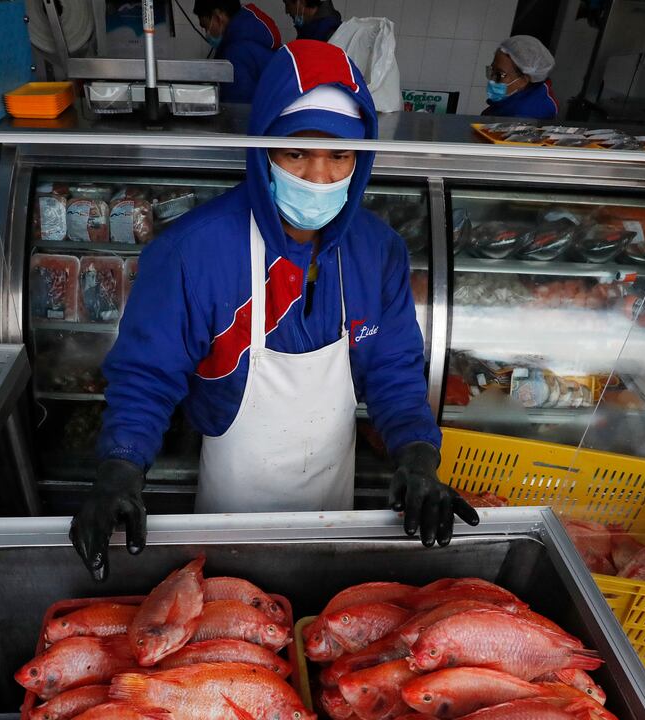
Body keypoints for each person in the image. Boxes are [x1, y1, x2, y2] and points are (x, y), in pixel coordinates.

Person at [70, 40, 479, 581]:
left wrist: (417, 456)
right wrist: (121, 469)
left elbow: (394, 369)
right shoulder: (194, 252)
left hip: (335, 505)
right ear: (264, 150)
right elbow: (147, 375)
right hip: (227, 509)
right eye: (296, 153)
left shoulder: (377, 252)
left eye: (340, 156)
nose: (318, 177)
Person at [194, 0, 282, 104]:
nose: (206, 34)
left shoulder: (236, 53)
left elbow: (237, 111)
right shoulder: (251, 35)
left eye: (206, 27)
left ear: (218, 17)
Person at [482, 35, 558, 119]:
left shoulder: (522, 116)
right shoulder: (527, 92)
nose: (492, 80)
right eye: (492, 70)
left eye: (500, 75)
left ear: (523, 80)